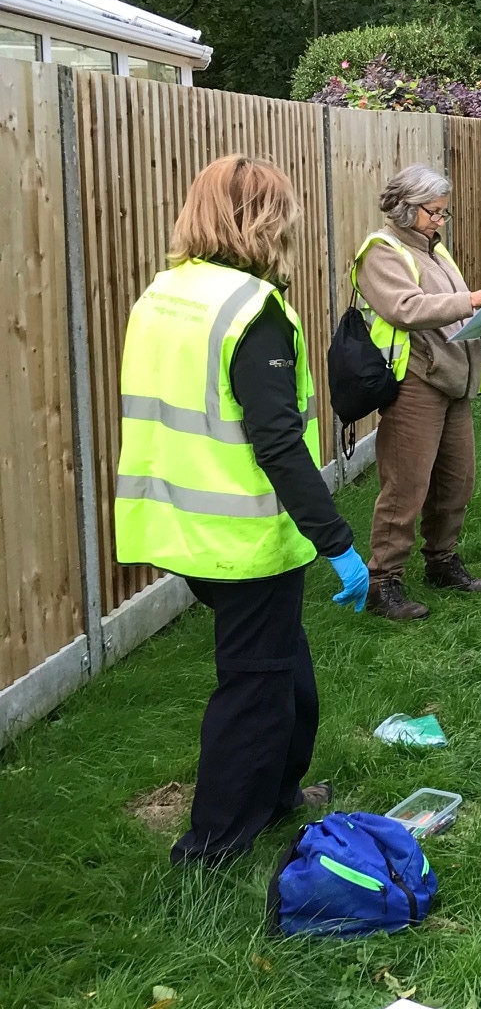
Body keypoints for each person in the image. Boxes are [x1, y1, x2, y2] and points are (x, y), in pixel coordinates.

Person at [113, 154, 369, 865]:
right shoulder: (251, 311)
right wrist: (338, 542)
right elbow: (279, 443)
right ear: (264, 221)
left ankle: (280, 791)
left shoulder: (165, 293)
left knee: (285, 671)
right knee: (253, 691)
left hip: (179, 523)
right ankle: (214, 844)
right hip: (239, 537)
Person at [352, 164, 481, 620]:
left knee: (456, 482)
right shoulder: (380, 253)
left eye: (444, 213)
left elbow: (451, 318)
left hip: (455, 382)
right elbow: (405, 309)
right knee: (405, 487)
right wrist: (475, 300)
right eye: (435, 213)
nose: (441, 221)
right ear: (405, 208)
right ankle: (383, 583)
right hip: (415, 387)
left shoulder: (436, 251)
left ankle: (442, 562)